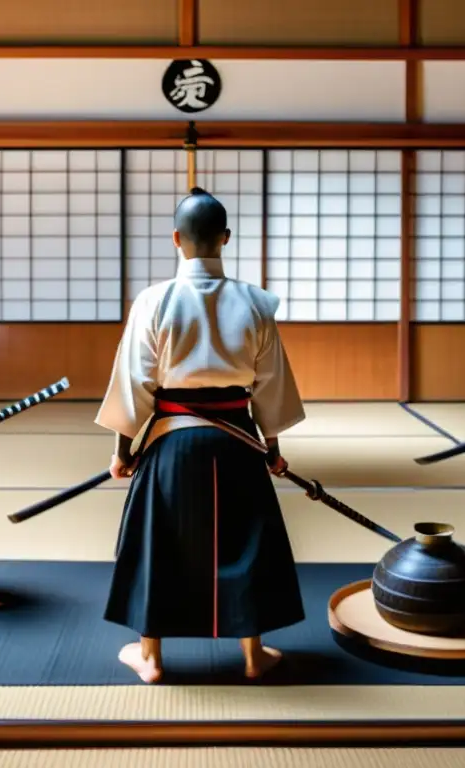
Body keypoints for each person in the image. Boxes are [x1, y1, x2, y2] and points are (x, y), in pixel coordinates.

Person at [95, 187, 307, 683]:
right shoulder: (257, 304)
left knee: (158, 544)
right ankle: (254, 656)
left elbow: (133, 383)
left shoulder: (153, 301)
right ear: (225, 238)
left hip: (171, 442)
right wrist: (273, 451)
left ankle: (151, 657)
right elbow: (270, 386)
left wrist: (122, 452)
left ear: (176, 239)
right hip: (238, 442)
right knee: (246, 544)